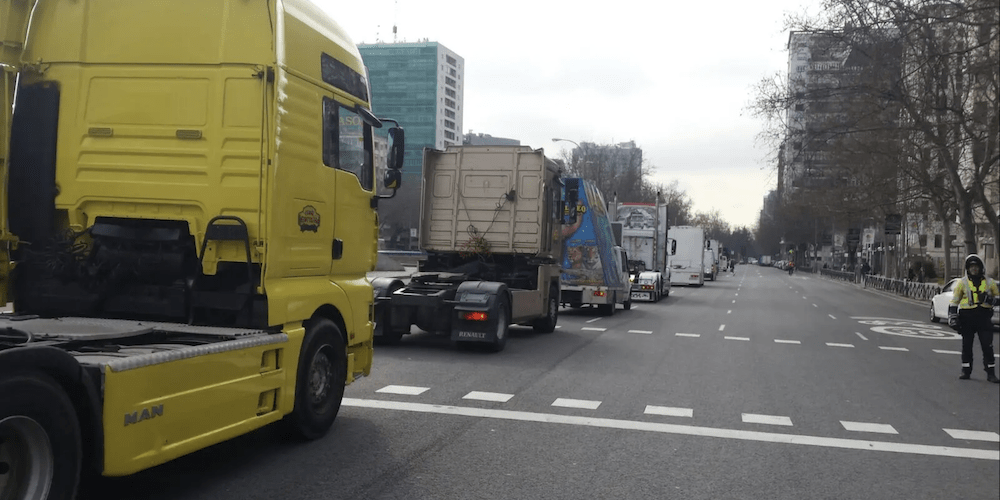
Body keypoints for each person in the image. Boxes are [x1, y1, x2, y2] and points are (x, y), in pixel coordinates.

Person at [947, 254, 999, 382]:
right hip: (967, 318)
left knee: (987, 346)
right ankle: (966, 371)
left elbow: (998, 300)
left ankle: (991, 373)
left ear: (981, 267)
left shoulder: (990, 282)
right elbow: (954, 301)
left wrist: (988, 299)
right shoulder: (962, 283)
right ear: (967, 269)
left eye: (976, 267)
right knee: (967, 346)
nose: (974, 269)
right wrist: (953, 317)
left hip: (984, 318)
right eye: (971, 267)